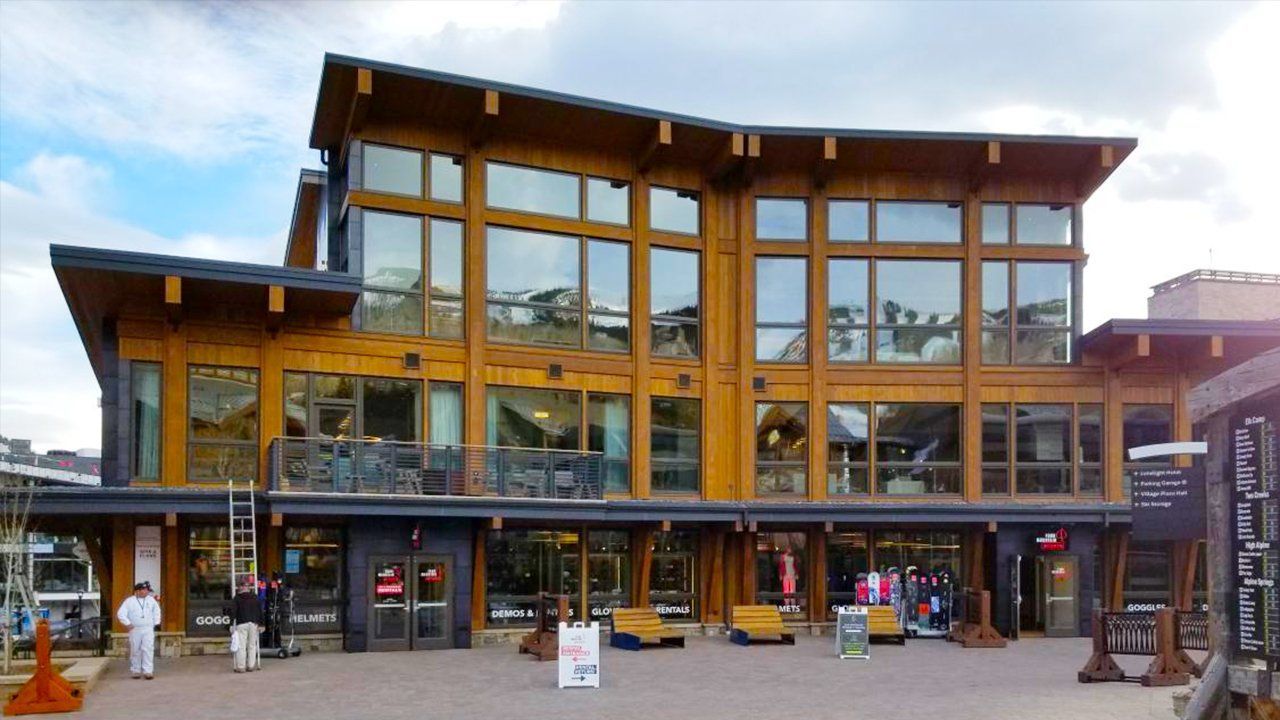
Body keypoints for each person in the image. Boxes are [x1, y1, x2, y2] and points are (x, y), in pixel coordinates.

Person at [116, 581, 161, 679]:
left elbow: (157, 611)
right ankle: (136, 670)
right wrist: (127, 623)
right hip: (135, 629)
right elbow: (121, 613)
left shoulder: (151, 600)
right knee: (135, 649)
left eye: (146, 590)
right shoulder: (129, 601)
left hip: (148, 628)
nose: (146, 592)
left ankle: (148, 671)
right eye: (144, 590)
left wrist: (156, 623)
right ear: (138, 591)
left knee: (148, 649)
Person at [230, 576, 263, 673]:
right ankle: (251, 666)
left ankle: (241, 667)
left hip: (242, 623)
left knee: (241, 646)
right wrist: (261, 623)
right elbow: (260, 611)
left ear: (239, 587)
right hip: (253, 623)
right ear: (249, 587)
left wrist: (231, 625)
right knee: (252, 645)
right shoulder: (255, 597)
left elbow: (233, 612)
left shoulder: (237, 598)